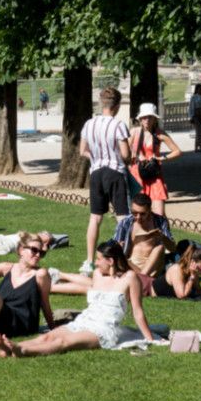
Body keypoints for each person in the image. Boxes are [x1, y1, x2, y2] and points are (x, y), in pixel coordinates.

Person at [0, 240, 154, 358]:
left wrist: (150, 339)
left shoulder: (130, 278)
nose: (96, 263)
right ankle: (11, 347)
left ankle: (22, 350)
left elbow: (137, 312)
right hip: (84, 320)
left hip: (103, 329)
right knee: (49, 336)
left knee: (64, 342)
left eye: (99, 259)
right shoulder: (97, 275)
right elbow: (83, 285)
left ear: (110, 261)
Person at [80, 88, 133, 272]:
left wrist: (96, 158)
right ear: (117, 105)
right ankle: (124, 257)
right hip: (115, 172)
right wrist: (128, 159)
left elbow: (82, 151)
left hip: (96, 172)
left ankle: (89, 260)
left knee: (95, 217)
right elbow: (125, 154)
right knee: (122, 217)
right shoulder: (118, 125)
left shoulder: (89, 124)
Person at [128, 103, 184, 218]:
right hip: (137, 176)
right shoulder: (134, 132)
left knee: (159, 213)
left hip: (154, 175)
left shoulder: (160, 134)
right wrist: (137, 155)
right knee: (138, 213)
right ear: (140, 119)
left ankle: (163, 230)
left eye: (150, 117)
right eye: (144, 117)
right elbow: (124, 151)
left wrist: (162, 158)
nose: (147, 120)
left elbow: (177, 151)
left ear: (154, 119)